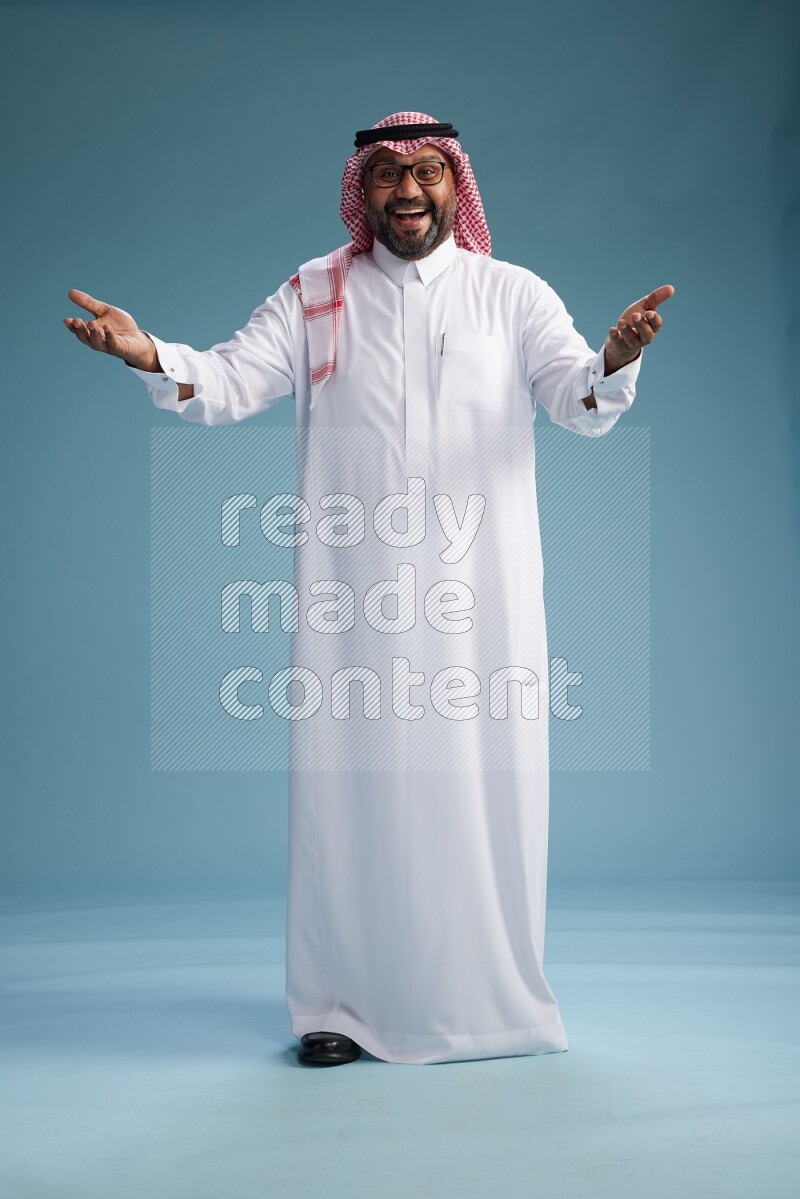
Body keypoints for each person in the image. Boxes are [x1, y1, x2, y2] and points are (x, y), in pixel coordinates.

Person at [64, 111, 673, 1068]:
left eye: (428, 172)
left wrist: (618, 357)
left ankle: (492, 1006)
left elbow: (576, 397)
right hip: (352, 604)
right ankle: (340, 1007)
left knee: (483, 793)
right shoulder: (315, 293)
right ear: (364, 188)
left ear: (454, 184)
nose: (408, 190)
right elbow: (224, 382)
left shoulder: (510, 294)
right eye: (388, 173)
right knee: (352, 799)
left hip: (483, 601)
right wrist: (150, 355)